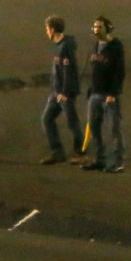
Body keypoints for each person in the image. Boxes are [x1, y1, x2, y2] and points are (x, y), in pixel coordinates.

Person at [82, 15, 127, 172]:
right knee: (94, 128)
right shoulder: (95, 46)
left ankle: (118, 161)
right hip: (95, 93)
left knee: (114, 129)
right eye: (94, 27)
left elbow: (119, 71)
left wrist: (113, 93)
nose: (96, 29)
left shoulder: (116, 46)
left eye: (99, 26)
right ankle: (99, 159)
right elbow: (94, 70)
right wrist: (90, 89)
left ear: (108, 28)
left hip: (109, 94)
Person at [39, 15, 84, 165]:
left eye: (47, 29)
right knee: (47, 119)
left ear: (52, 29)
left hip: (65, 93)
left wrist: (65, 92)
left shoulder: (66, 47)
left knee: (72, 122)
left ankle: (80, 153)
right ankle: (57, 152)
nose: (46, 32)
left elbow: (69, 71)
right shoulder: (59, 45)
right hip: (57, 92)